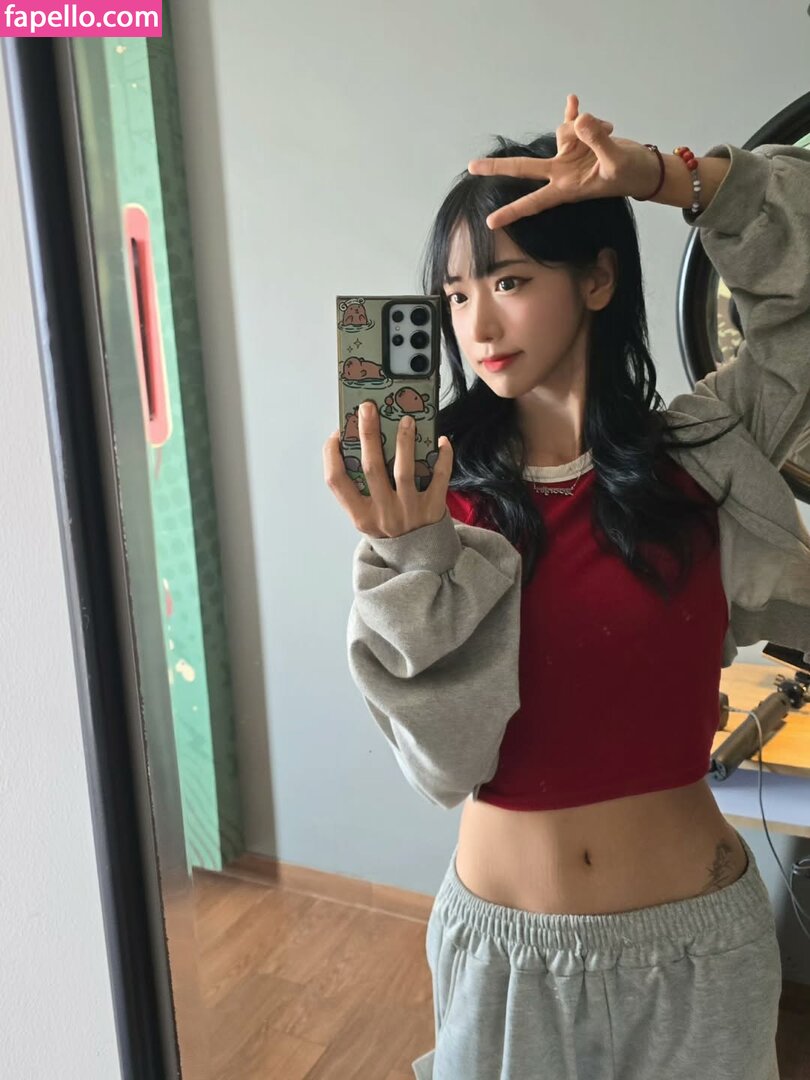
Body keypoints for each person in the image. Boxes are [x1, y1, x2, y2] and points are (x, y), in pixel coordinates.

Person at [323, 94, 810, 1079]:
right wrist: (409, 562)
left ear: (597, 278)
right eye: (456, 295)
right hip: (508, 966)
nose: (477, 323)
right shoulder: (436, 505)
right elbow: (443, 759)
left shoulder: (704, 456)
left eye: (509, 280)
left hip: (700, 958)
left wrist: (666, 177)